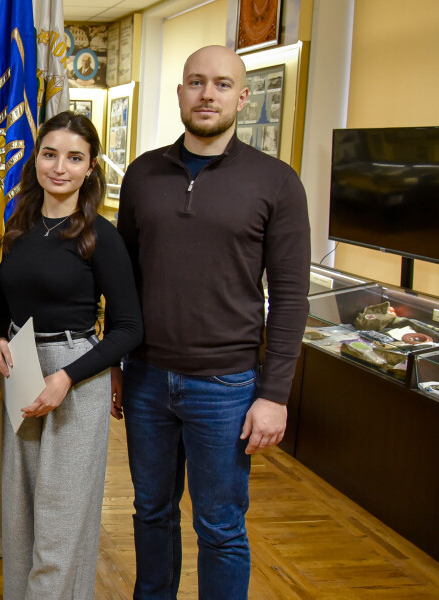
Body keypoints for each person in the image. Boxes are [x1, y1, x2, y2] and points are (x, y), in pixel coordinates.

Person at [115, 45, 310, 599]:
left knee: (220, 528)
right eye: (196, 82)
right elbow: (124, 281)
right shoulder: (143, 174)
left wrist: (273, 394)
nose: (208, 94)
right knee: (151, 512)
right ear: (180, 92)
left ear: (242, 97)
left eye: (222, 84)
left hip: (227, 387)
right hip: (148, 379)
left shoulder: (276, 182)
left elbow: (292, 298)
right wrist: (116, 363)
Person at [0, 111, 143, 599]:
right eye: (50, 153)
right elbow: (8, 299)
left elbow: (128, 329)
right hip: (20, 368)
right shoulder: (17, 227)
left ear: (91, 167)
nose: (60, 167)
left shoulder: (102, 235)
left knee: (60, 526)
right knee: (19, 520)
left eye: (74, 158)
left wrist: (66, 378)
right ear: (35, 157)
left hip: (74, 377)